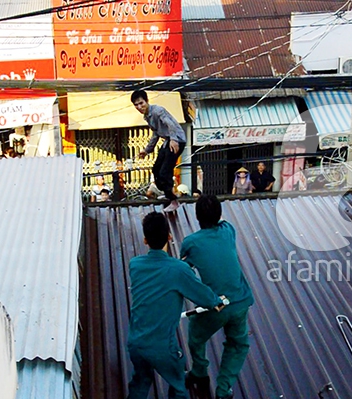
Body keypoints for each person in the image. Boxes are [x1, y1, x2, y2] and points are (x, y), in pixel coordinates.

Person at [127, 212, 226, 399]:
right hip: (162, 347)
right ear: (170, 237)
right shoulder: (178, 269)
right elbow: (204, 296)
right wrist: (217, 301)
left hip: (136, 343)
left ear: (145, 240)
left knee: (140, 383)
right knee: (178, 385)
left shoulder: (135, 265)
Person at [180, 195, 254, 399]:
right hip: (239, 302)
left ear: (197, 217)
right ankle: (223, 390)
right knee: (237, 344)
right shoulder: (228, 230)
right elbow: (221, 222)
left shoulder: (191, 242)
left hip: (215, 306)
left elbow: (184, 270)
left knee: (196, 335)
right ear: (219, 214)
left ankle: (199, 373)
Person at [132, 90, 186, 213]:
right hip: (167, 141)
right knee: (156, 169)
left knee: (164, 172)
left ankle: (173, 201)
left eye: (141, 103)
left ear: (147, 101)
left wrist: (173, 139)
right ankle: (167, 193)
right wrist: (147, 150)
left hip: (177, 141)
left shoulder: (158, 111)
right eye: (136, 105)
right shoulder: (147, 116)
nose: (139, 107)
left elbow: (170, 124)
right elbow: (156, 133)